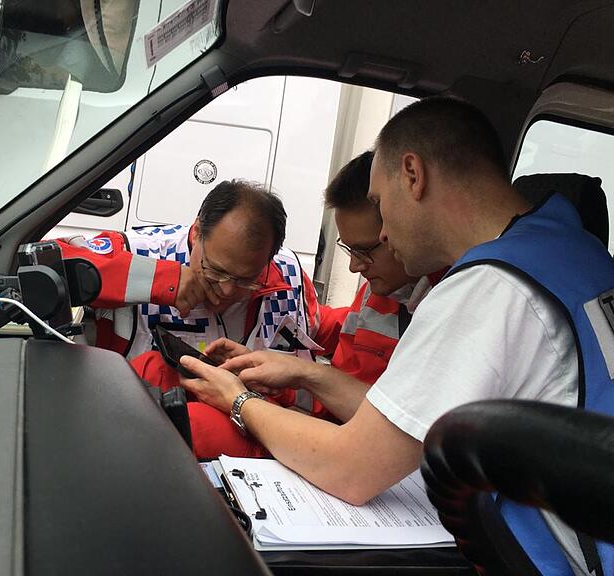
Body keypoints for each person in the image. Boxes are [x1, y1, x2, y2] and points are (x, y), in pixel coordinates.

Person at [178, 96, 614, 574]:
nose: (382, 234)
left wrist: (238, 401)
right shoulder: (570, 248)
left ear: (413, 174)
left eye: (381, 206)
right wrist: (304, 372)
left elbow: (351, 470)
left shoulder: (492, 286)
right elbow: (406, 420)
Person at [190, 151, 446, 458]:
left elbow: (389, 432)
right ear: (196, 234)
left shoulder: (448, 305)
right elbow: (339, 399)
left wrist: (243, 399)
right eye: (349, 249)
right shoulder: (375, 295)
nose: (354, 267)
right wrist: (271, 374)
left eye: (365, 251)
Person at [56, 179, 333, 417]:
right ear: (198, 231)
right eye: (215, 270)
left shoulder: (289, 276)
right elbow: (48, 264)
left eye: (245, 280)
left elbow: (310, 389)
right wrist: (160, 280)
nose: (226, 290)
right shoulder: (142, 251)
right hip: (134, 429)